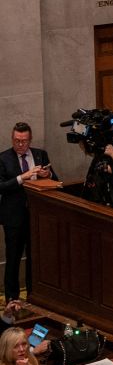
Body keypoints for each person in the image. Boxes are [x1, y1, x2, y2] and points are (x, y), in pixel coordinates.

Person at [0, 124, 56, 304]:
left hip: (36, 216)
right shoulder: (3, 158)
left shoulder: (40, 154)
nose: (21, 145)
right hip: (13, 217)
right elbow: (1, 186)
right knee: (13, 259)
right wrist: (22, 177)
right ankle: (11, 298)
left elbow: (54, 178)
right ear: (12, 139)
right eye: (17, 141)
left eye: (24, 141)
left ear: (30, 140)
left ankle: (34, 296)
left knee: (35, 257)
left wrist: (47, 174)